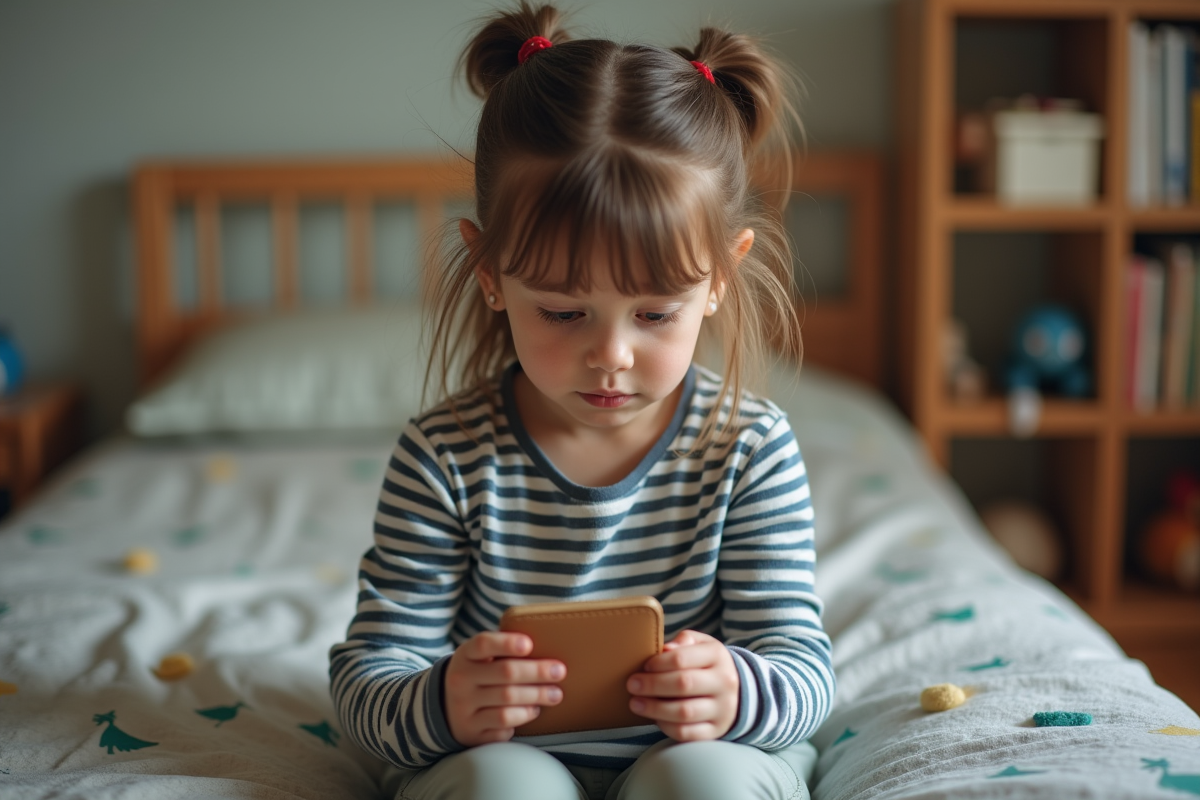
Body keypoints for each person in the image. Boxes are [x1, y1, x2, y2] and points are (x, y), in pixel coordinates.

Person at [329, 4, 834, 798]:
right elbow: (368, 682)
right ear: (490, 274)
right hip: (504, 758)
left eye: (655, 314)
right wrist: (443, 702)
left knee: (702, 784)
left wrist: (737, 691)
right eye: (564, 313)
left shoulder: (748, 449)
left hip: (699, 754)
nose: (611, 355)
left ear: (720, 279)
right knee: (502, 788)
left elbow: (803, 670)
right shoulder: (444, 457)